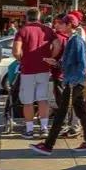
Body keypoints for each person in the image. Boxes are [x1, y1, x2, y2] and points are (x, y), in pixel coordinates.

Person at [30, 13, 86, 155]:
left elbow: (83, 63)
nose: (58, 26)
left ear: (69, 25)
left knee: (61, 113)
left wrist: (73, 78)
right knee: (81, 112)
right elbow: (71, 62)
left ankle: (48, 145)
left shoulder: (76, 40)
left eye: (62, 23)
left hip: (74, 81)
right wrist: (57, 63)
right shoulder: (73, 39)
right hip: (76, 81)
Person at [12, 8, 58, 139]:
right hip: (44, 69)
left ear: (27, 17)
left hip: (27, 70)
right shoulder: (47, 30)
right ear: (39, 17)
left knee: (28, 101)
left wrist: (23, 59)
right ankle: (44, 128)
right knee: (43, 99)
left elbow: (16, 51)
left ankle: (29, 129)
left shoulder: (22, 31)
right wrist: (51, 57)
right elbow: (57, 44)